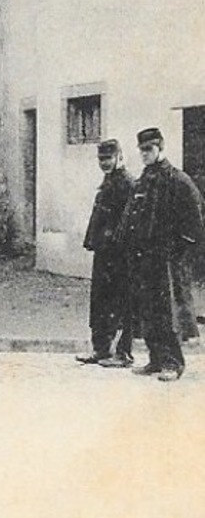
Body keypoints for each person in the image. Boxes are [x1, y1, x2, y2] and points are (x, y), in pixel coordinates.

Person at [122, 126, 205, 381]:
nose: (145, 154)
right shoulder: (143, 180)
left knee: (168, 312)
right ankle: (155, 359)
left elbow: (195, 218)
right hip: (145, 257)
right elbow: (132, 215)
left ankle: (173, 363)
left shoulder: (177, 180)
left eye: (149, 149)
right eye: (142, 150)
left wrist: (179, 249)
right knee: (147, 310)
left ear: (160, 148)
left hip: (167, 259)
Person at [75, 139, 133, 367]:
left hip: (119, 254)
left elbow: (129, 221)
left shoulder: (127, 184)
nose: (104, 163)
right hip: (104, 252)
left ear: (119, 156)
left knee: (120, 302)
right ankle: (101, 349)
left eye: (108, 158)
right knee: (100, 301)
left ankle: (122, 353)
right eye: (101, 159)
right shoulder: (109, 181)